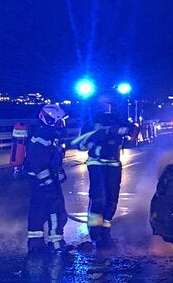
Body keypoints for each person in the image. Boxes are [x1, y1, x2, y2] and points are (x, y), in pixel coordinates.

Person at [74, 96, 132, 250]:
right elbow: (80, 145)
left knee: (112, 199)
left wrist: (129, 130)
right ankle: (95, 234)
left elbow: (131, 138)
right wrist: (101, 134)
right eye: (111, 104)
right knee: (98, 198)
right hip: (97, 164)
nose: (113, 108)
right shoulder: (92, 123)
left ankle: (106, 230)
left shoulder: (120, 122)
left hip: (114, 164)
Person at [23, 103, 71, 254]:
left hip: (41, 181)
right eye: (59, 120)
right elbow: (38, 163)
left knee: (38, 211)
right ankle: (56, 245)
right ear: (49, 119)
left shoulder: (47, 134)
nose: (61, 124)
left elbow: (51, 158)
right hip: (44, 181)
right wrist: (49, 182)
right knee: (56, 212)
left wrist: (59, 172)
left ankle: (35, 244)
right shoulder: (41, 136)